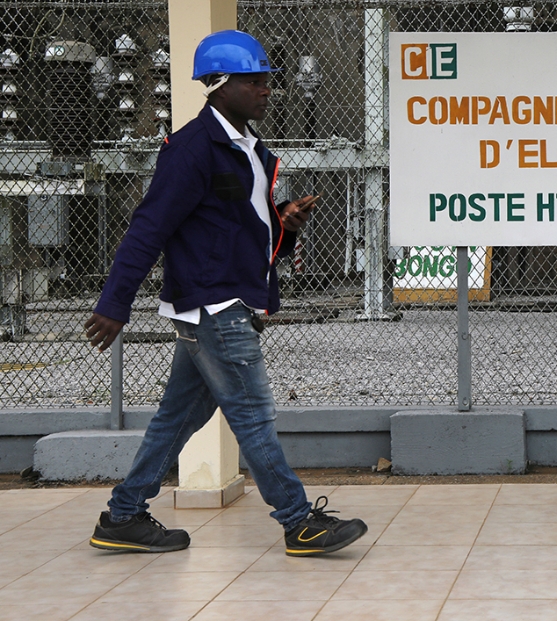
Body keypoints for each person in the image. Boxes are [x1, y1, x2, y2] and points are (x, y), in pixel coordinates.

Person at [83, 30, 366, 557]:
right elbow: (149, 228)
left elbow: (238, 229)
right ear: (218, 85)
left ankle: (123, 516)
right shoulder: (192, 150)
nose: (266, 89)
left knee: (178, 418)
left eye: (266, 80)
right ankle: (299, 520)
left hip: (221, 300)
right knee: (253, 414)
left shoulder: (249, 151)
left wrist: (285, 226)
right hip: (215, 307)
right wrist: (114, 303)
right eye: (254, 80)